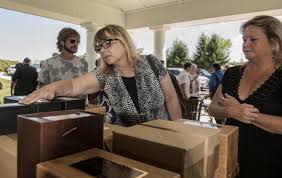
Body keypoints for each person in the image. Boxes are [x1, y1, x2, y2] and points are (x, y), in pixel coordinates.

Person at [20, 24, 181, 126]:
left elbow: (171, 99)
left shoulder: (152, 63)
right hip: (129, 146)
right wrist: (51, 88)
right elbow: (74, 85)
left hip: (163, 138)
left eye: (107, 43)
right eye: (99, 47)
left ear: (124, 40)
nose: (102, 50)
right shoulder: (105, 74)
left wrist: (178, 132)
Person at [208, 15, 282, 178]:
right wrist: (231, 112)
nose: (245, 44)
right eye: (244, 39)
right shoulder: (232, 73)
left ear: (273, 43)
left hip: (270, 164)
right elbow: (212, 108)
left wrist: (244, 113)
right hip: (231, 160)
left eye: (253, 39)